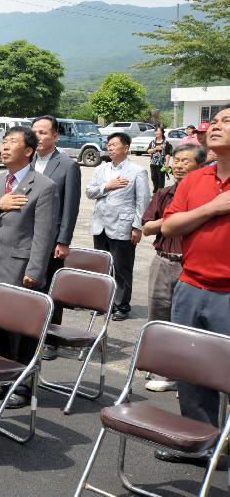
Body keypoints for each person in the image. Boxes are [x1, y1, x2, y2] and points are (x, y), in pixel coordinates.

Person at [157, 108, 230, 464]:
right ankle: (198, 444)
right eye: (213, 122)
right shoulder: (196, 179)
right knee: (191, 372)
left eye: (226, 122)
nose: (216, 126)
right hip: (190, 286)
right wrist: (213, 208)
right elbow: (170, 227)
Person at [0, 126, 58, 410]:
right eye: (3, 141)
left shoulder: (44, 186)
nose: (4, 146)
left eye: (12, 142)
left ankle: (23, 386)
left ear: (28, 150)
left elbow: (43, 234)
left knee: (22, 331)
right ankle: (1, 380)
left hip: (19, 267)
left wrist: (35, 271)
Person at [140, 144, 206, 393]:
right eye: (176, 161)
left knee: (190, 321)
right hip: (163, 259)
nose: (178, 166)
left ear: (200, 167)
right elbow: (146, 227)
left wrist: (165, 223)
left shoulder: (205, 197)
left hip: (191, 263)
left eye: (185, 161)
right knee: (159, 315)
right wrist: (175, 221)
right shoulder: (164, 193)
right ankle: (164, 370)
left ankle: (189, 378)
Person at [30, 115, 82, 360]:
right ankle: (29, 331)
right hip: (26, 235)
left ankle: (51, 339)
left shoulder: (67, 165)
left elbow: (70, 206)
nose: (38, 137)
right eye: (35, 132)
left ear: (55, 136)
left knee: (51, 286)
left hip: (52, 238)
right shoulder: (27, 160)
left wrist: (64, 240)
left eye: (43, 132)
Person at [85, 132, 150, 321]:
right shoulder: (102, 169)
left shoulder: (137, 171)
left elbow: (142, 201)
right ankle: (102, 303)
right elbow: (90, 192)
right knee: (102, 267)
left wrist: (137, 227)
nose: (110, 147)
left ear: (126, 148)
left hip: (123, 226)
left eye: (114, 144)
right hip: (100, 225)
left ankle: (121, 306)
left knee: (122, 268)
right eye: (108, 144)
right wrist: (108, 185)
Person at [146, 126, 173, 193]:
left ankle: (160, 193)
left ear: (162, 132)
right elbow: (148, 151)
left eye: (158, 131)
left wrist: (166, 164)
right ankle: (155, 192)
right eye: (156, 131)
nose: (157, 132)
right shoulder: (152, 142)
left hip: (161, 165)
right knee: (153, 178)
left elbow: (168, 154)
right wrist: (155, 149)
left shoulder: (166, 142)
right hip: (153, 163)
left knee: (160, 180)